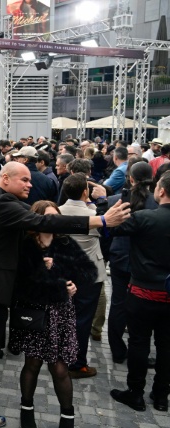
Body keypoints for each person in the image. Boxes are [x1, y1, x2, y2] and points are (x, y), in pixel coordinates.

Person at [0, 162, 130, 428]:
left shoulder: (0, 201)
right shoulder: (0, 203)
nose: (30, 184)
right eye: (23, 179)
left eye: (29, 180)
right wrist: (100, 220)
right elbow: (45, 222)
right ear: (5, 178)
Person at [10, 201, 98, 428]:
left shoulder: (64, 242)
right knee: (32, 363)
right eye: (48, 218)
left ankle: (67, 417)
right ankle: (26, 409)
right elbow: (20, 283)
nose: (53, 222)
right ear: (37, 219)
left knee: (59, 368)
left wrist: (70, 280)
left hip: (60, 313)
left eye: (56, 218)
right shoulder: (26, 245)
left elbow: (89, 272)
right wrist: (44, 271)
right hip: (34, 311)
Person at [109, 171, 170, 414]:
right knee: (166, 345)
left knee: (139, 342)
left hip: (143, 291)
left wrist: (119, 205)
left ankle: (136, 393)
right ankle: (161, 395)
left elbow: (113, 229)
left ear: (161, 191)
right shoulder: (146, 217)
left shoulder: (145, 217)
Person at [106, 162, 157, 364]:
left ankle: (117, 349)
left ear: (130, 178)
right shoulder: (156, 204)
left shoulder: (115, 201)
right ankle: (139, 350)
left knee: (118, 304)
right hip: (145, 261)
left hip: (119, 258)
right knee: (142, 306)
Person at [58, 174, 108, 379]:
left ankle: (60, 353)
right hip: (89, 274)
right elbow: (108, 228)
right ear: (85, 191)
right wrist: (101, 199)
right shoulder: (95, 214)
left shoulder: (57, 212)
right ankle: (77, 363)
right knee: (83, 318)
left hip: (62, 271)